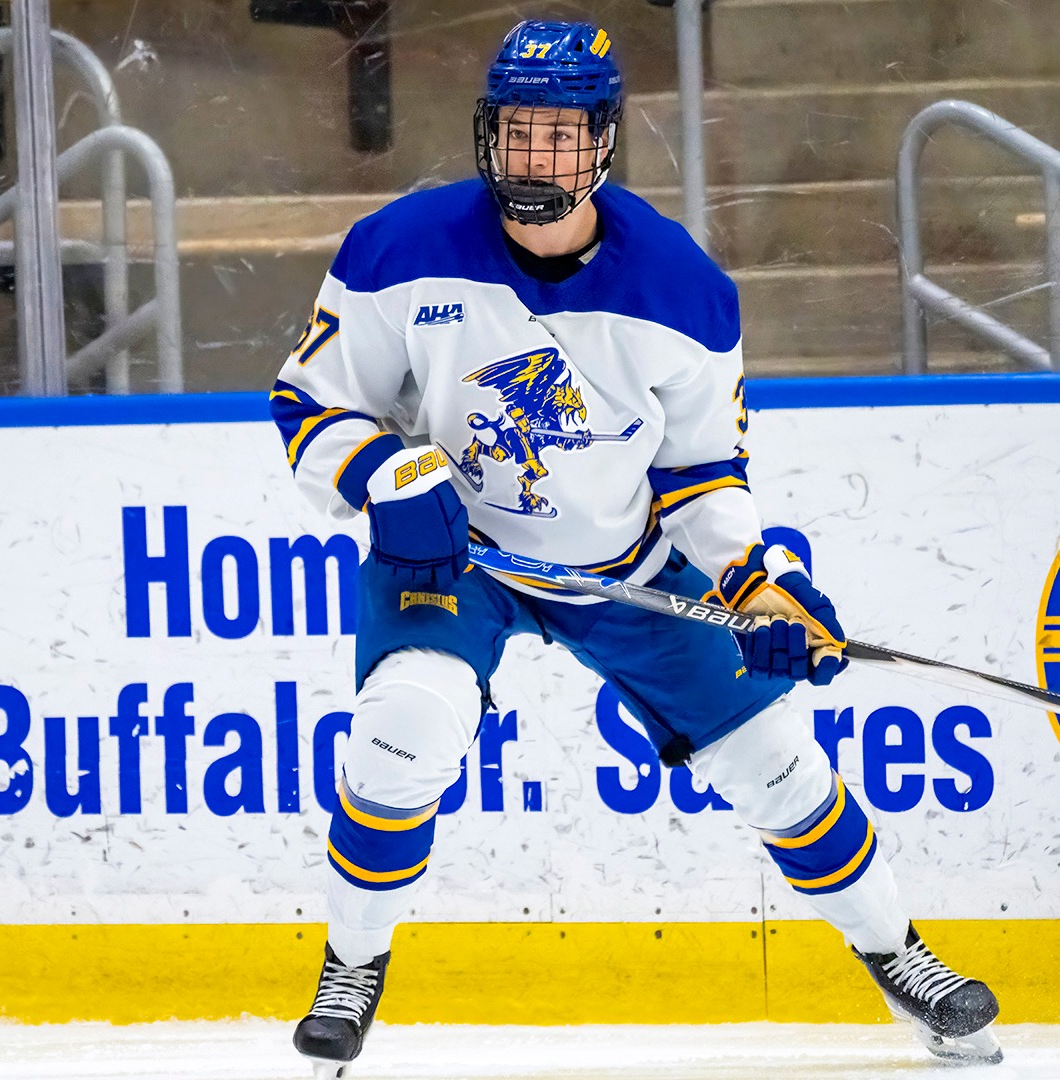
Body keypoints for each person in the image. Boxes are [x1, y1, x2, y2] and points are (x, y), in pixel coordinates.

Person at [267, 20, 1001, 1077]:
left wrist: (762, 582)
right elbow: (310, 400)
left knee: (780, 767)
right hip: (454, 560)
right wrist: (385, 477)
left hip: (626, 570)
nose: (538, 160)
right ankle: (351, 964)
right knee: (405, 727)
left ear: (605, 144)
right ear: (489, 136)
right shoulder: (399, 248)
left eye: (563, 137)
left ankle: (901, 958)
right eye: (520, 133)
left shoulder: (683, 288)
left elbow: (704, 476)